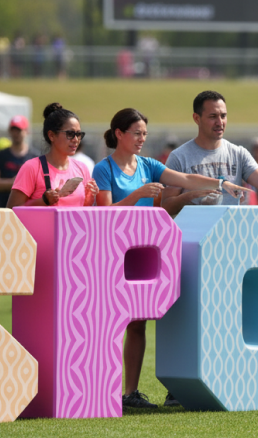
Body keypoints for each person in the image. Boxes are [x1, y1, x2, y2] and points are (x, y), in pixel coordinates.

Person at [95, 108, 246, 410]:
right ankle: (100, 390)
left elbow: (186, 178)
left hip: (144, 251)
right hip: (111, 252)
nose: (141, 139)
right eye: (136, 133)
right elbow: (103, 212)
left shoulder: (148, 165)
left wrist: (220, 184)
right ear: (119, 134)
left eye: (144, 134)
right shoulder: (104, 169)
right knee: (109, 324)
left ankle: (131, 394)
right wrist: (138, 193)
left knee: (139, 324)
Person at [161, 91, 258, 215]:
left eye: (223, 116)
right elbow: (166, 206)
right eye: (213, 117)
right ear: (196, 118)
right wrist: (191, 197)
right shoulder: (179, 157)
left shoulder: (238, 153)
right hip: (195, 236)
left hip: (231, 236)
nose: (220, 122)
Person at [6, 103, 98, 209]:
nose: (76, 139)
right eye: (70, 134)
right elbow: (11, 210)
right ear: (52, 135)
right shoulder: (32, 167)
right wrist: (43, 201)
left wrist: (89, 198)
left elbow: (82, 210)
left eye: (78, 134)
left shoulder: (82, 168)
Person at [0, 115, 38, 208]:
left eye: (19, 130)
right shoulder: (0, 155)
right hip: (4, 209)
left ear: (26, 131)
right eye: (13, 130)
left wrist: (15, 183)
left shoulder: (35, 157)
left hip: (26, 209)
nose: (15, 133)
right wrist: (16, 183)